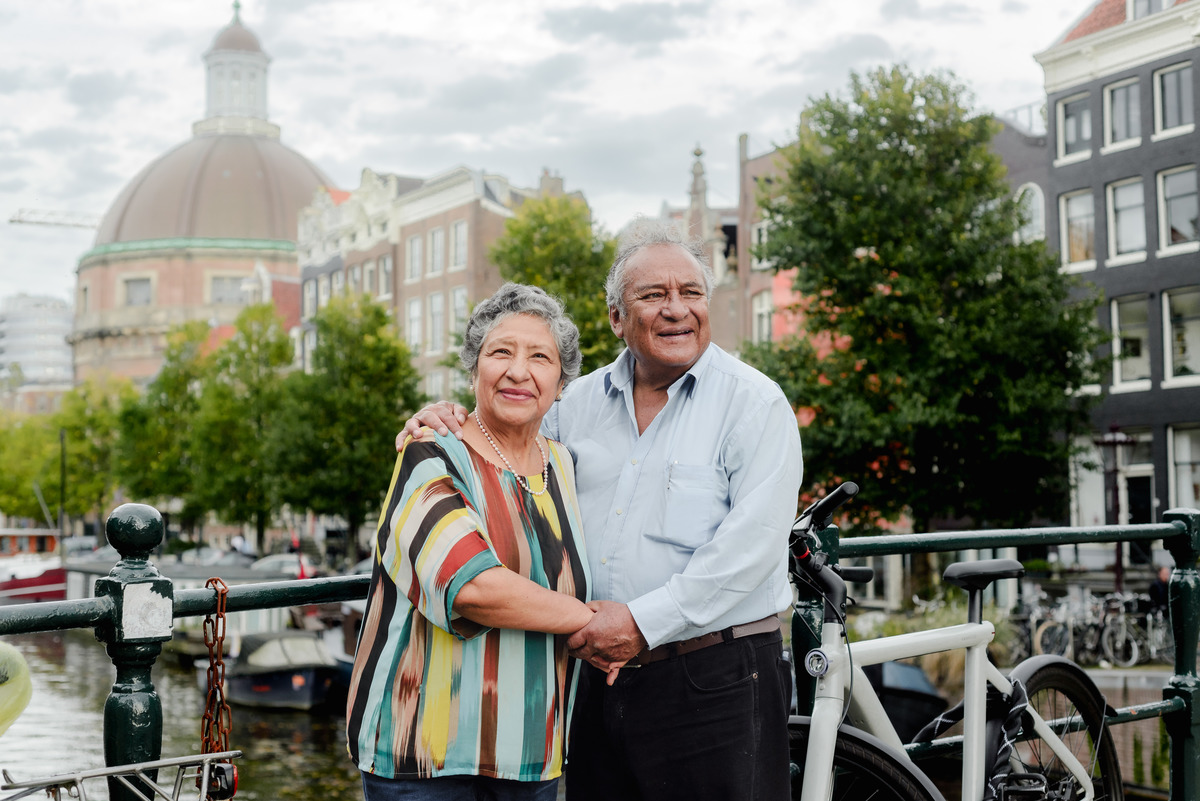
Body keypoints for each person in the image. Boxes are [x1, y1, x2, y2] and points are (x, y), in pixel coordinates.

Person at [399, 218, 803, 801]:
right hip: (592, 678)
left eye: (691, 294)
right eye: (653, 295)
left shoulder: (755, 404)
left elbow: (752, 549)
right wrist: (444, 417)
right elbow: (507, 446)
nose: (676, 310)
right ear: (616, 317)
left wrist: (638, 624)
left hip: (714, 677)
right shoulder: (574, 402)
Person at [347, 283, 597, 800]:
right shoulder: (431, 454)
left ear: (560, 379)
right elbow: (473, 588)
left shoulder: (564, 466)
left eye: (540, 357)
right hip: (427, 757)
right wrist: (597, 624)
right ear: (474, 366)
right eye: (501, 352)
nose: (518, 371)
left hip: (532, 756)